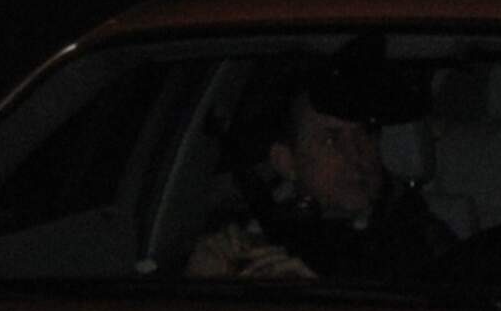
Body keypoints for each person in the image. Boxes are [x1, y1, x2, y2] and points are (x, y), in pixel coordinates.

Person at [190, 49, 458, 284]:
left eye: (366, 133)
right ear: (286, 161)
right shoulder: (242, 234)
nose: (356, 154)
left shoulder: (421, 241)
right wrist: (206, 283)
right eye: (332, 140)